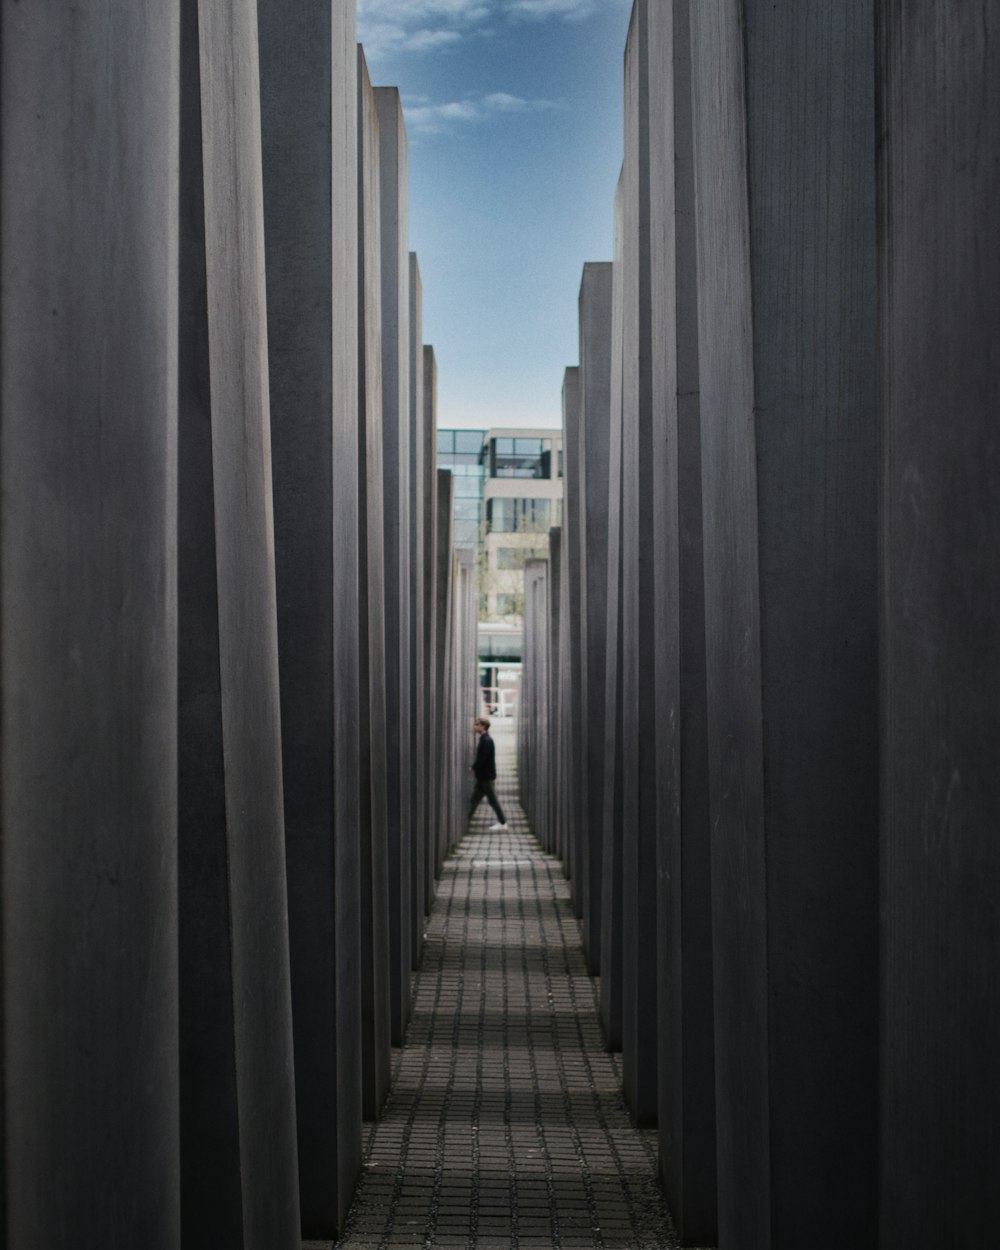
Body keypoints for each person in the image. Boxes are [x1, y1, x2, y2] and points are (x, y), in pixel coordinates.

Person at [468, 716, 507, 831]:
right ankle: (466, 820)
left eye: (477, 724)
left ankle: (503, 822)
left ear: (483, 726)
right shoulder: (485, 739)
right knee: (474, 799)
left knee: (492, 801)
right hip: (483, 777)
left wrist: (474, 767)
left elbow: (482, 758)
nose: (475, 727)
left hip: (486, 777)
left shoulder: (486, 740)